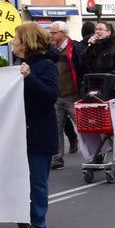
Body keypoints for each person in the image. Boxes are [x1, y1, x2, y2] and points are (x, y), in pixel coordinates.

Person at [3, 22, 59, 228]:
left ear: (26, 42)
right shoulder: (17, 66)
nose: (13, 43)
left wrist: (29, 77)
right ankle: (23, 222)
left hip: (39, 133)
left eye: (16, 39)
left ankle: (38, 224)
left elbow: (49, 96)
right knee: (17, 180)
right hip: (17, 134)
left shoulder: (46, 66)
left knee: (36, 181)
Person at [47, 22, 79, 170]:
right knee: (56, 129)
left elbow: (81, 68)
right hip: (56, 95)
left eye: (53, 33)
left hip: (72, 95)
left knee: (83, 127)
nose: (51, 35)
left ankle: (94, 153)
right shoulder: (51, 50)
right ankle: (57, 158)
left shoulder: (75, 48)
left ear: (63, 33)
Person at [79, 21, 115, 86]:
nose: (97, 32)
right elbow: (82, 64)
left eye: (100, 29)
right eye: (96, 29)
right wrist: (89, 46)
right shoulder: (91, 49)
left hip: (110, 87)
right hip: (93, 87)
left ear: (108, 32)